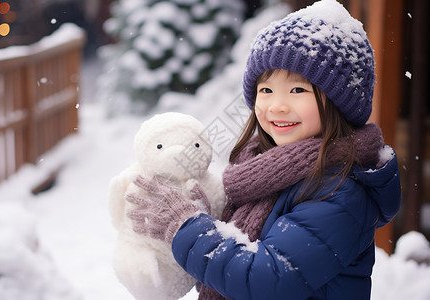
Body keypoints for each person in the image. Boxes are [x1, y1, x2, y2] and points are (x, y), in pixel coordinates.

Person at [127, 0, 402, 299]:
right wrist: (206, 217)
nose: (277, 105)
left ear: (339, 103)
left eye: (298, 90)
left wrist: (188, 227)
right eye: (266, 90)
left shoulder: (340, 192)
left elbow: (267, 280)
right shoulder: (261, 173)